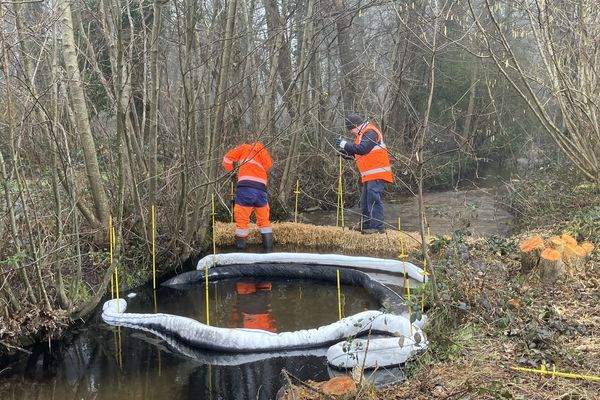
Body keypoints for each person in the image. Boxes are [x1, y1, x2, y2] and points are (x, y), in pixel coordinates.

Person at [335, 113, 393, 234]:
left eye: (352, 129)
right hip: (369, 175)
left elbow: (362, 149)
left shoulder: (370, 132)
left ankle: (378, 228)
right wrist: (344, 153)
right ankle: (366, 226)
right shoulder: (362, 135)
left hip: (378, 172)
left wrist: (344, 144)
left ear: (357, 125)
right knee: (365, 201)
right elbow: (358, 153)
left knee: (373, 199)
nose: (351, 132)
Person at [223, 142, 273, 251]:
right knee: (264, 221)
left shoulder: (244, 148)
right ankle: (269, 252)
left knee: (242, 221)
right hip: (261, 190)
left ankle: (241, 253)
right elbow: (268, 165)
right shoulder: (263, 151)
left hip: (245, 188)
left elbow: (227, 158)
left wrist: (231, 172)